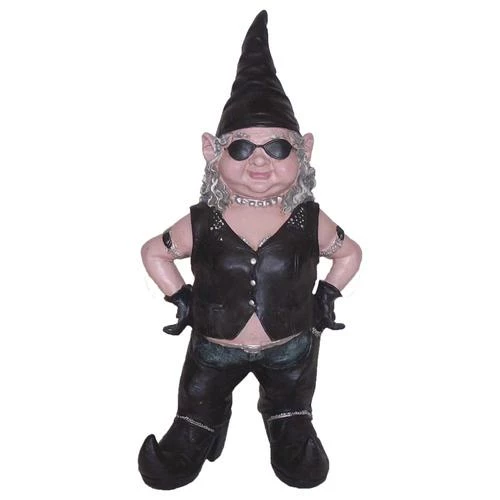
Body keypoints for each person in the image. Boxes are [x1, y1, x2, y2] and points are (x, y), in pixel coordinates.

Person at [138, 10, 362, 490]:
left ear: (304, 150)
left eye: (277, 149)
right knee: (199, 402)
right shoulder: (202, 220)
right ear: (212, 151)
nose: (259, 161)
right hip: (214, 347)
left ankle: (291, 434)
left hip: (290, 347)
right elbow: (155, 252)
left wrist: (327, 294)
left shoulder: (309, 219)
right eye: (241, 149)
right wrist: (181, 297)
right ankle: (196, 433)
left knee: (291, 406)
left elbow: (349, 253)